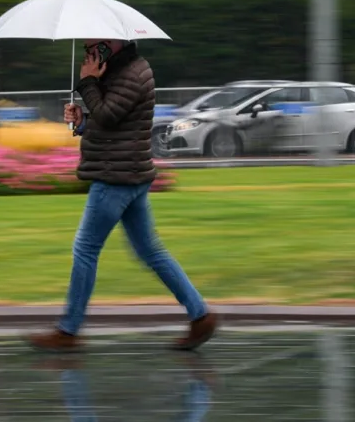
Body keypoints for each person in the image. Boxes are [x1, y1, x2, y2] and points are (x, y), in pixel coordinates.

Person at [26, 39, 217, 351]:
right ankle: (200, 315)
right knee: (150, 252)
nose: (87, 46)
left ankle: (68, 332)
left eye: (92, 41)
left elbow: (109, 115)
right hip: (129, 173)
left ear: (112, 42)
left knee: (85, 249)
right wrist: (81, 121)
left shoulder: (132, 74)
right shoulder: (121, 70)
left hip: (116, 177)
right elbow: (110, 125)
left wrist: (87, 81)